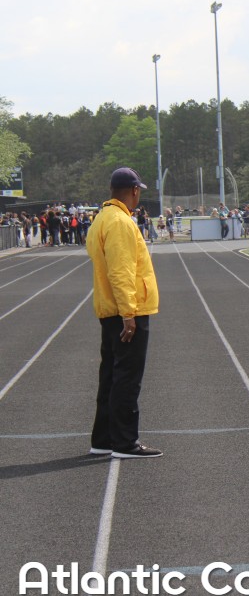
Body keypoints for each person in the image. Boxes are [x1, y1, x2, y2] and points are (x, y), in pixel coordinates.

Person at [86, 168, 162, 458]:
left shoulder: (102, 218)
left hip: (110, 308)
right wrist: (129, 313)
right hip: (126, 311)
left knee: (110, 374)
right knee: (127, 377)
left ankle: (104, 439)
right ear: (134, 190)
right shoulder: (119, 221)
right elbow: (121, 271)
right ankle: (124, 442)